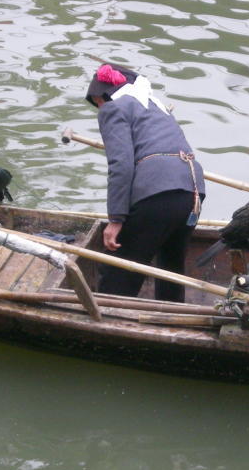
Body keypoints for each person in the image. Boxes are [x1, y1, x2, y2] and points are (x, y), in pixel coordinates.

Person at [85, 63, 206, 302]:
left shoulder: (113, 109)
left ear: (105, 96)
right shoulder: (158, 107)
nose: (98, 106)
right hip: (193, 190)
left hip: (159, 192)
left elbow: (120, 165)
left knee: (119, 269)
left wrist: (116, 219)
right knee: (170, 268)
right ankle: (171, 316)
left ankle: (108, 321)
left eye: (97, 101)